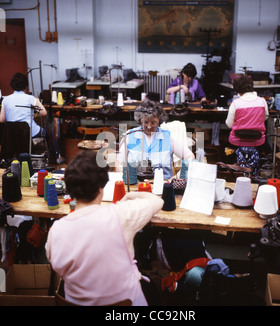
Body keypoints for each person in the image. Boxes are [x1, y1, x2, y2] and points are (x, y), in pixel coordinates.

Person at [45, 150, 163, 306]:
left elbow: (57, 266)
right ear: (101, 187)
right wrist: (128, 197)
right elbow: (157, 201)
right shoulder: (121, 215)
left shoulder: (55, 231)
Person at [118, 99, 195, 180]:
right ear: (140, 120)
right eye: (146, 122)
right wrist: (126, 176)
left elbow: (190, 157)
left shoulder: (168, 137)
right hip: (136, 186)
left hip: (163, 187)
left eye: (153, 123)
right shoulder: (129, 136)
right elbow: (119, 163)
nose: (149, 126)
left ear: (159, 120)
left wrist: (177, 177)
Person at [225, 75, 269, 174]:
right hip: (257, 141)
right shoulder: (262, 101)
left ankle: (234, 171)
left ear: (238, 90)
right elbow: (265, 118)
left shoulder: (236, 103)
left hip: (238, 141)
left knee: (224, 141)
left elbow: (229, 124)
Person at [0, 72, 47, 138]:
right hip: (30, 133)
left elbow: (1, 119)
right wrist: (37, 101)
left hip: (13, 135)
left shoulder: (5, 100)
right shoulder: (31, 99)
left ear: (12, 85)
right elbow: (44, 113)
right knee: (48, 132)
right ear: (26, 85)